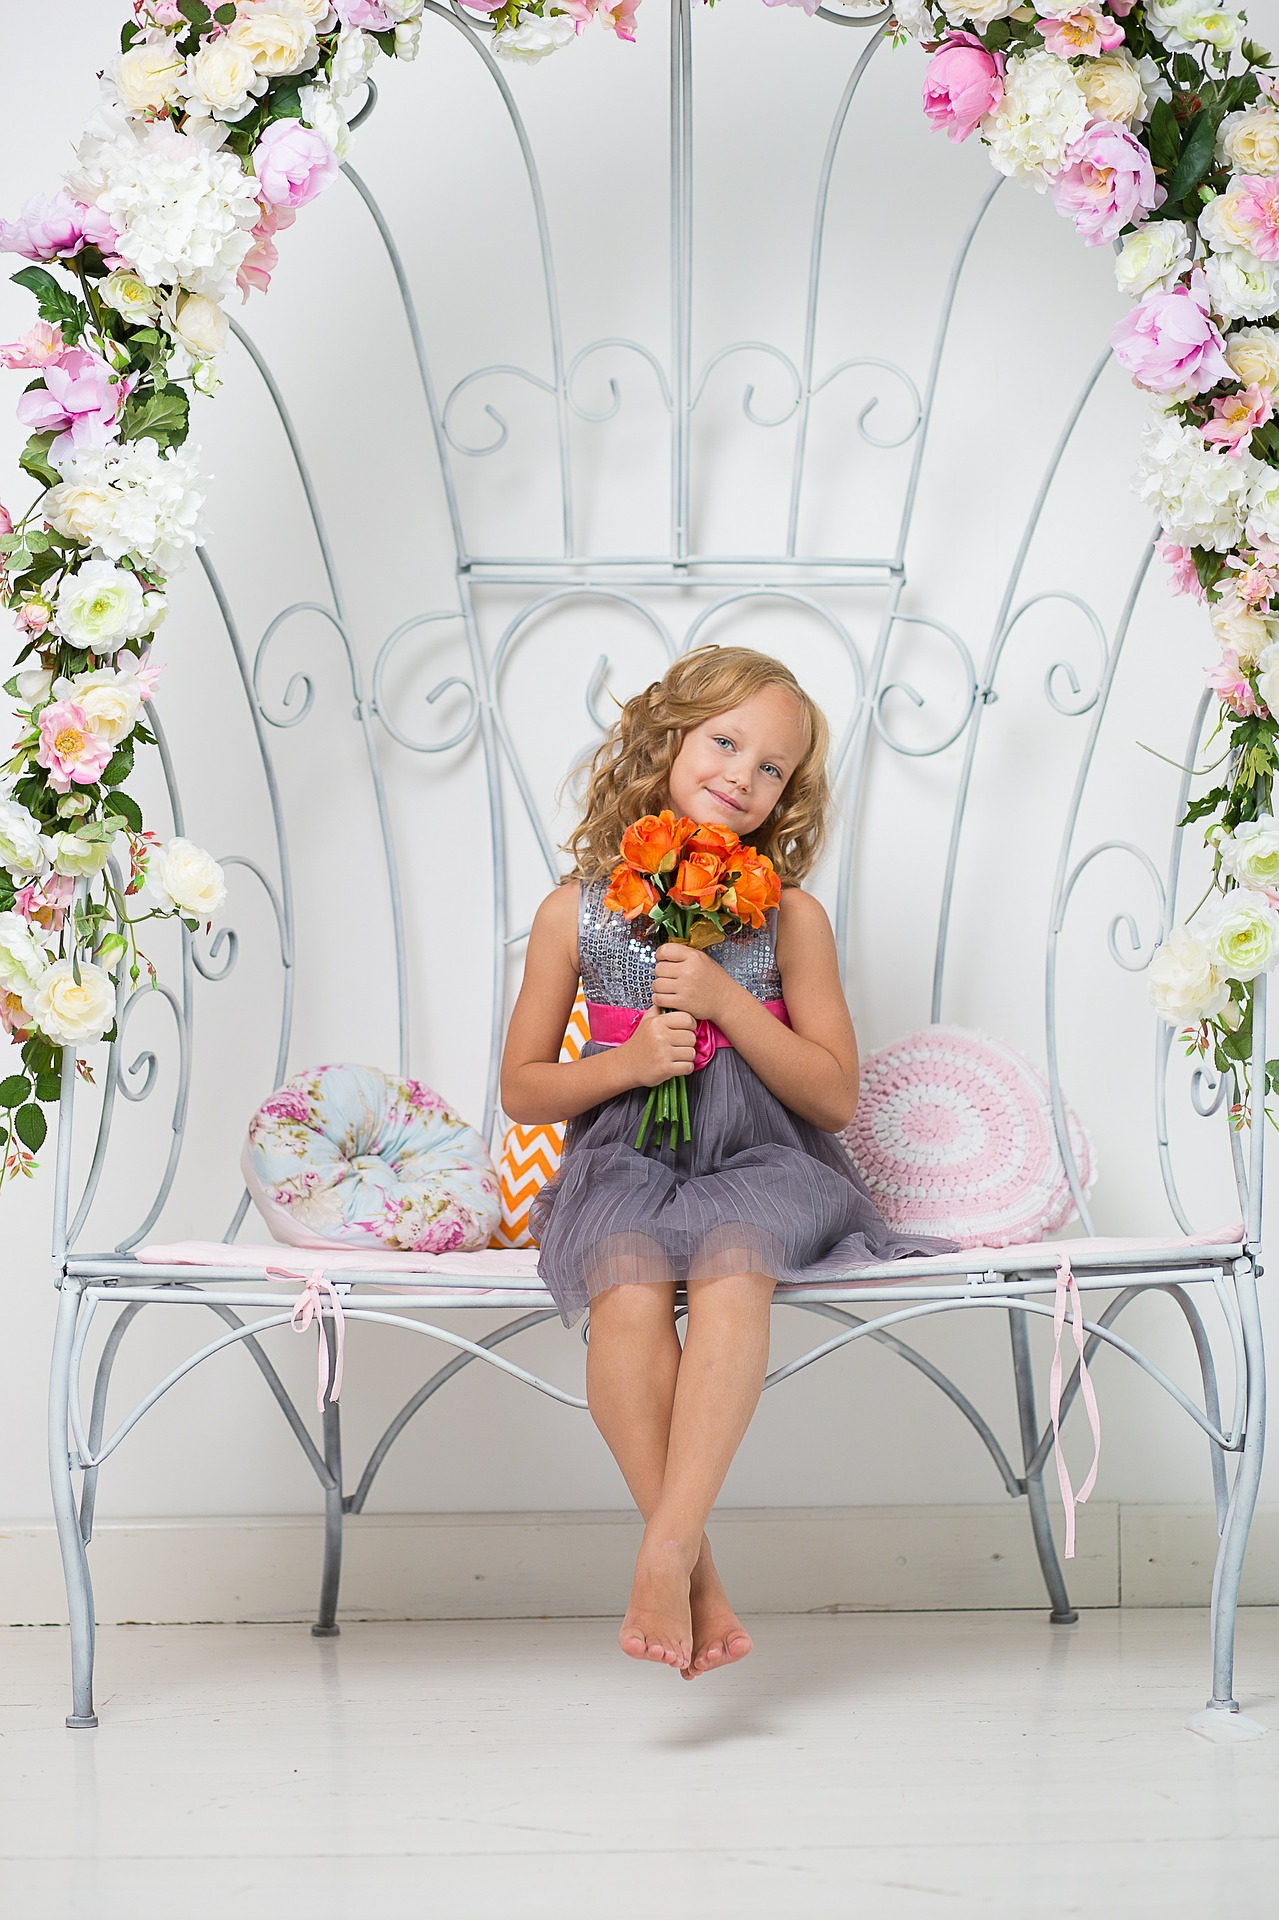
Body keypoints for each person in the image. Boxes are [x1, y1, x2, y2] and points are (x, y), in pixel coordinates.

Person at [499, 645, 956, 1681]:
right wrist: (620, 1064)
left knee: (730, 1261)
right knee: (621, 1285)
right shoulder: (574, 912)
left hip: (764, 1157)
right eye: (725, 743)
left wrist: (726, 1004)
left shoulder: (790, 917)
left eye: (772, 770)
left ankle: (660, 1548)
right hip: (626, 1158)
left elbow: (833, 1094)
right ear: (664, 740)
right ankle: (694, 1571)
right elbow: (522, 1087)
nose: (743, 777)